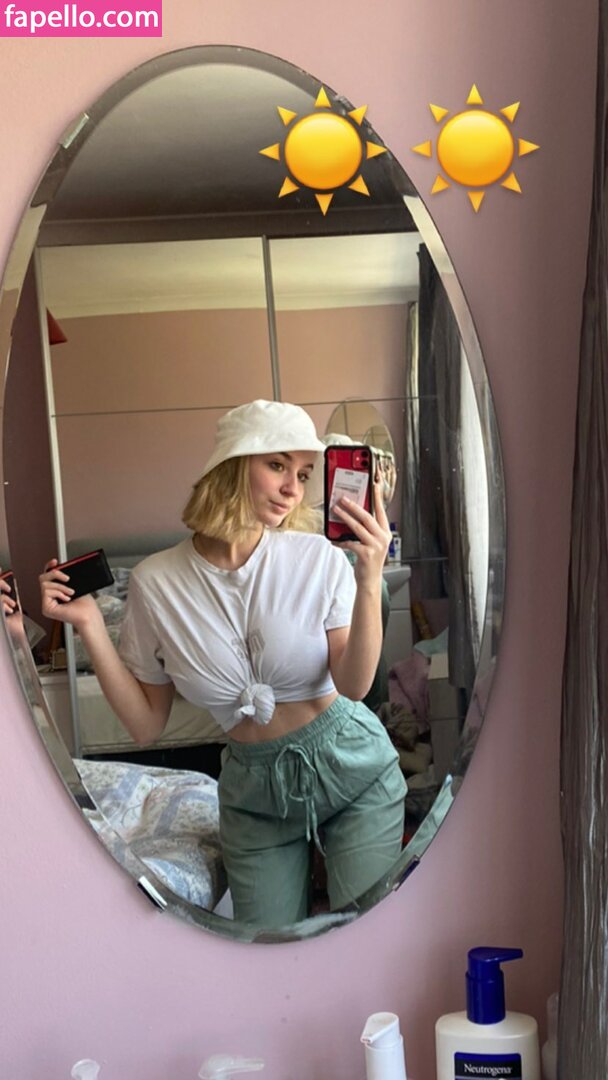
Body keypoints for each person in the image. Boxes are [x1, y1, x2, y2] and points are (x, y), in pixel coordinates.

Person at [40, 400, 407, 928]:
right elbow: (146, 727)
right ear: (232, 465)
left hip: (352, 768)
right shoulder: (155, 582)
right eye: (277, 465)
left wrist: (369, 578)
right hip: (253, 797)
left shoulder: (317, 558)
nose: (293, 489)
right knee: (266, 954)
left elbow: (354, 686)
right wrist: (91, 625)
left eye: (304, 474)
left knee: (364, 937)